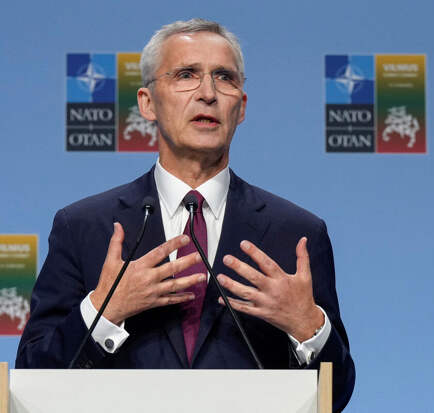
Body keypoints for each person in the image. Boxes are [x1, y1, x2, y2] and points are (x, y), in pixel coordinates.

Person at [16, 18, 355, 411]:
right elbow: (32, 378)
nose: (207, 94)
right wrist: (103, 313)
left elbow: (336, 395)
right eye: (186, 75)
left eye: (224, 78)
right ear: (147, 103)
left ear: (241, 107)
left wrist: (308, 327)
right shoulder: (84, 227)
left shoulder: (295, 233)